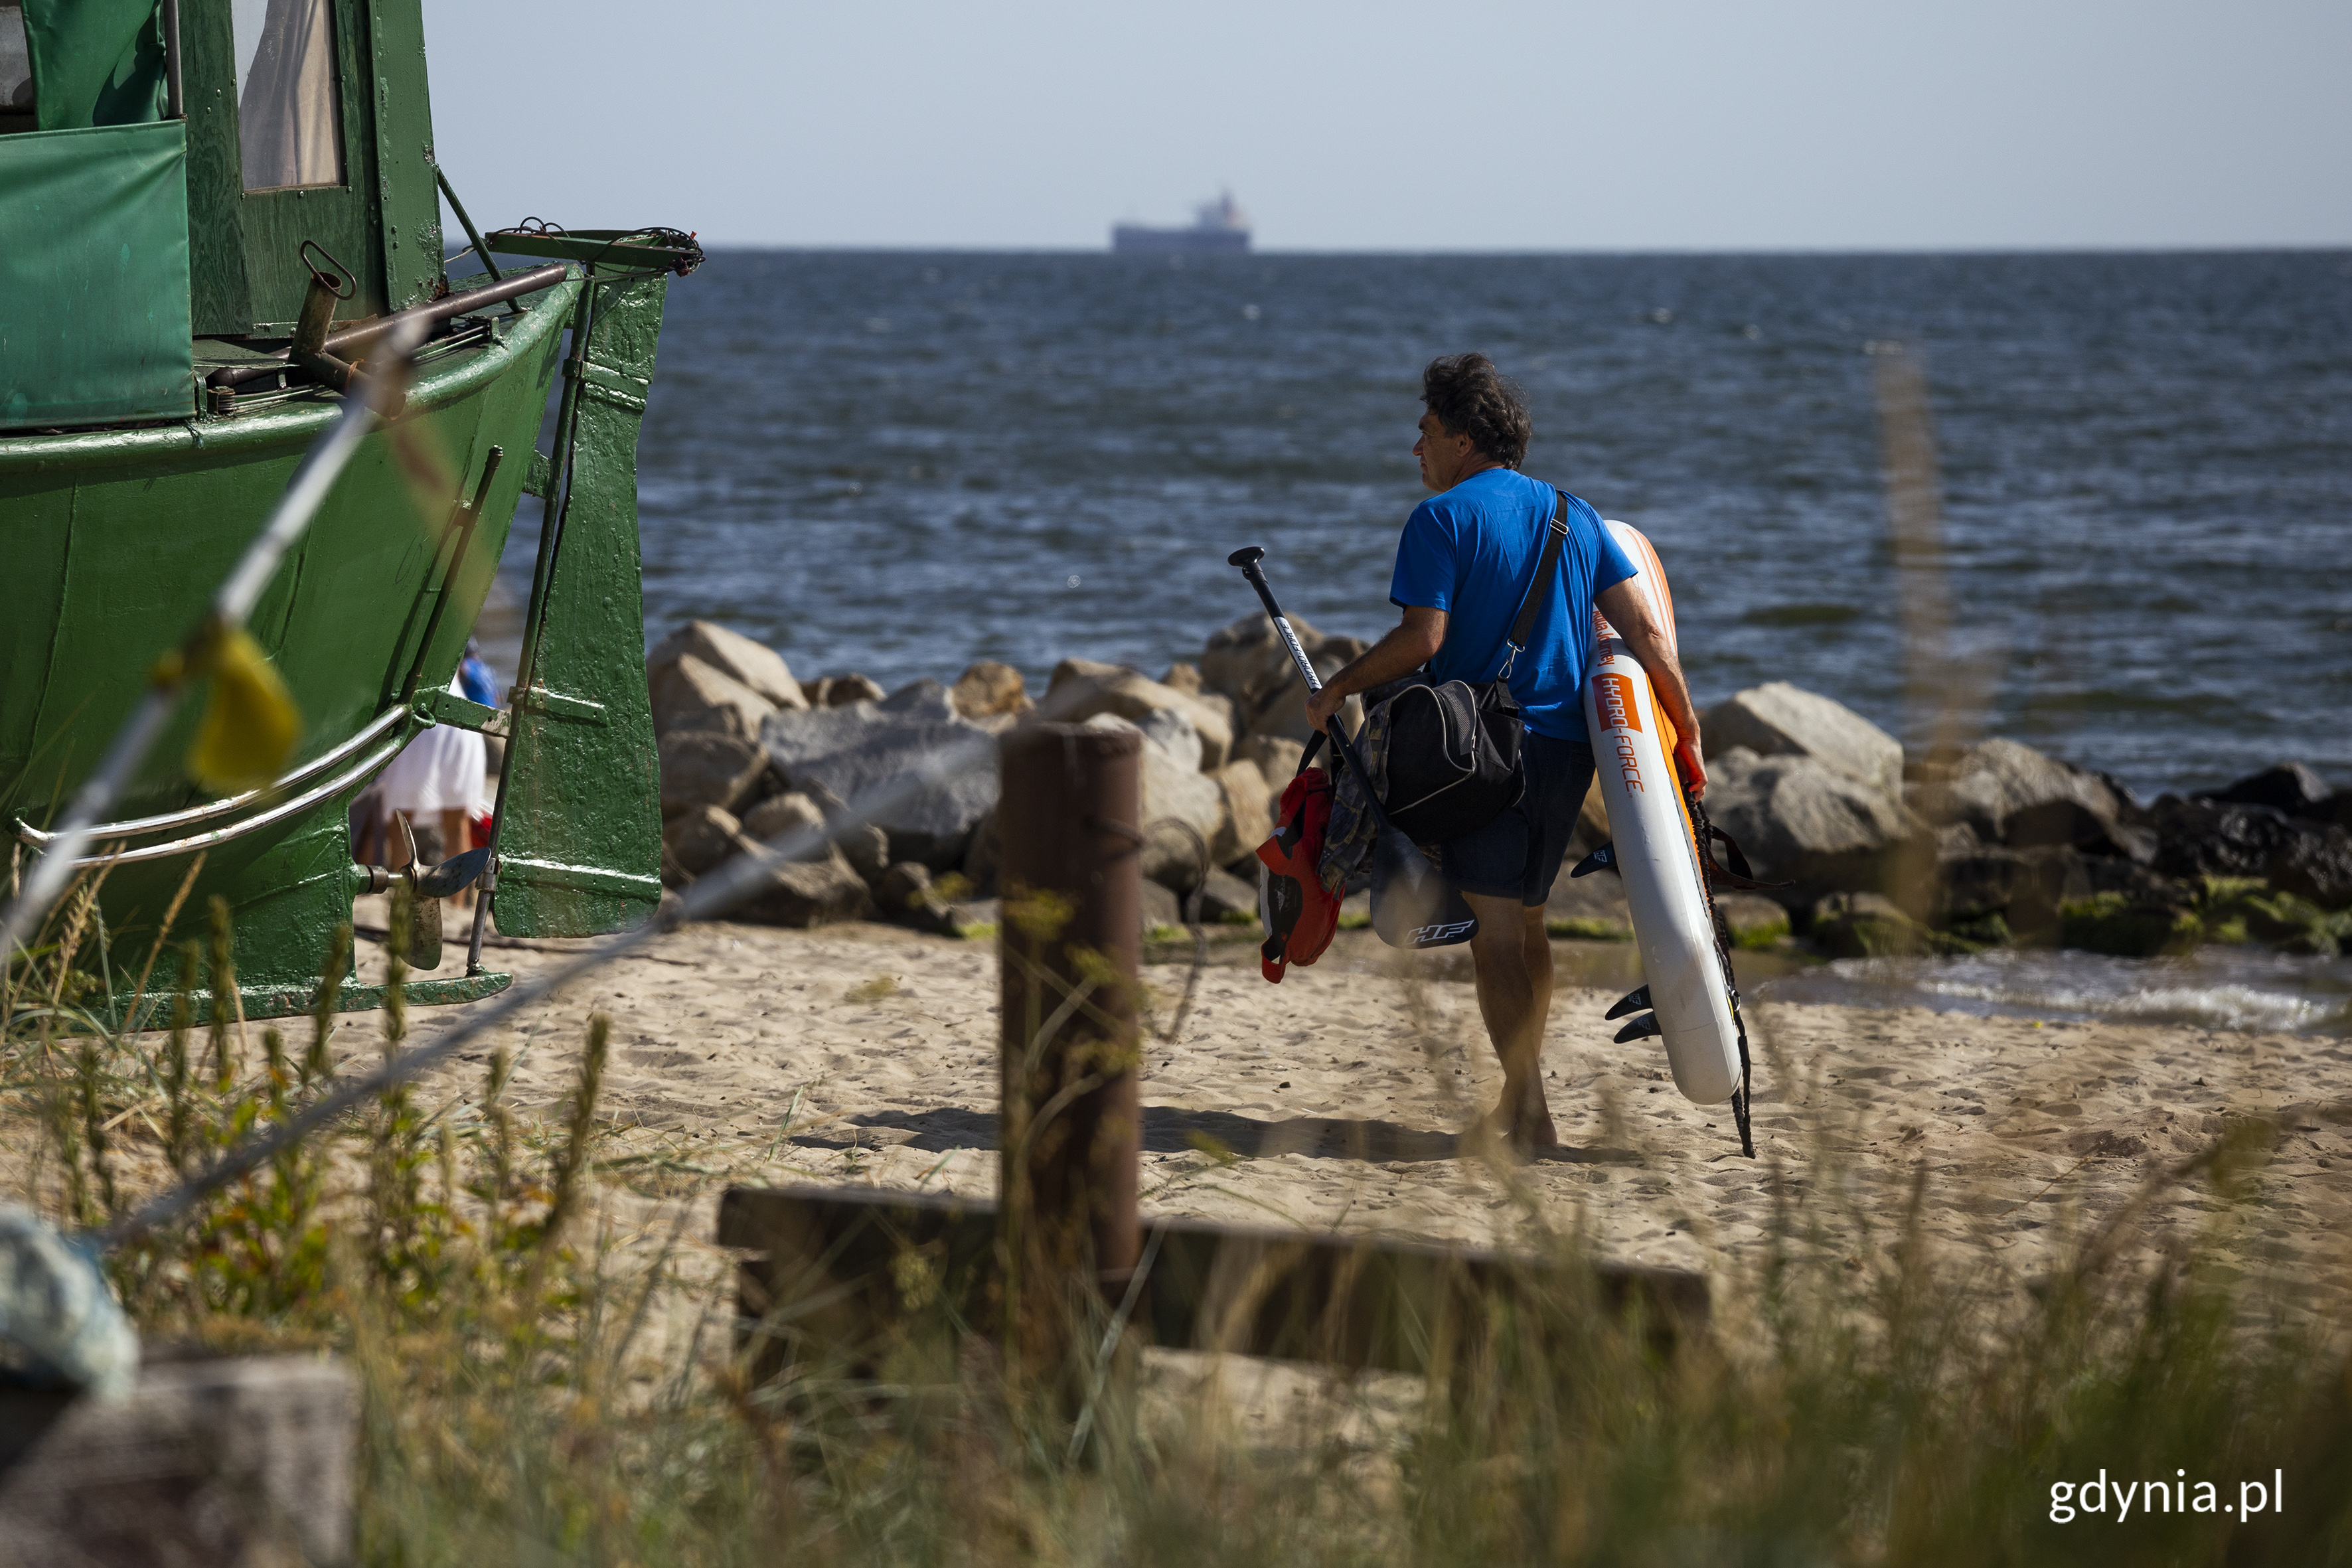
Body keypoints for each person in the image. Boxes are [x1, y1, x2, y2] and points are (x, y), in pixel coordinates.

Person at [1304, 353, 1707, 1152]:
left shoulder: (1440, 519)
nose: (1415, 449)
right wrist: (1685, 727)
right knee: (1526, 923)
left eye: (1425, 432)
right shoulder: (1575, 515)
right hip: (1569, 752)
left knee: (1493, 936)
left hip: (1481, 756)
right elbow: (1645, 633)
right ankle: (1519, 1105)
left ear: (1463, 440)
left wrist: (1338, 688)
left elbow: (1423, 640)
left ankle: (1533, 1117)